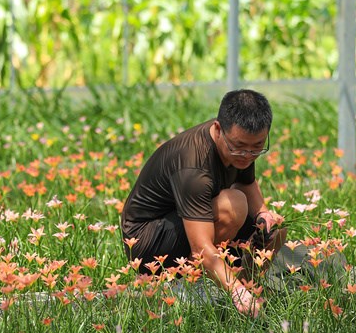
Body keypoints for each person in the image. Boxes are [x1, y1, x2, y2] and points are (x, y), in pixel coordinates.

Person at [120, 89, 286, 316]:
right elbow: (201, 247)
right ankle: (202, 287)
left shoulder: (238, 143)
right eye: (239, 147)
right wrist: (235, 291)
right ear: (218, 130)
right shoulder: (193, 166)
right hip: (148, 243)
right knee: (232, 205)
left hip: (187, 223)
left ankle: (246, 290)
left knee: (275, 229)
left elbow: (247, 183)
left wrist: (264, 214)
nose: (247, 155)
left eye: (257, 147)